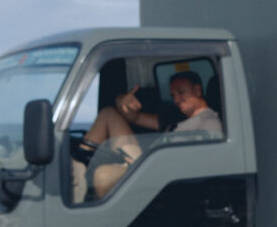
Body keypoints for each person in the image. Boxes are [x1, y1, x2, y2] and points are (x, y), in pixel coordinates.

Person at [72, 71, 223, 201]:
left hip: (160, 173)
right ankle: (79, 168)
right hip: (146, 161)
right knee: (108, 113)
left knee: (103, 176)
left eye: (181, 92)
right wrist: (122, 100)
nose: (176, 100)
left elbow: (207, 164)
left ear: (197, 90)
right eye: (173, 95)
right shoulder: (174, 118)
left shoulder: (209, 121)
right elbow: (134, 118)